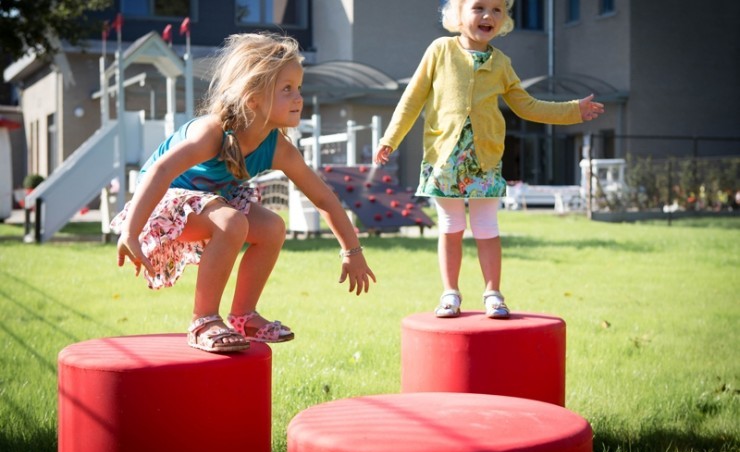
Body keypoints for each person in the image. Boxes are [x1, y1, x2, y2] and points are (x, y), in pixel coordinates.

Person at [112, 33, 376, 353]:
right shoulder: (212, 132)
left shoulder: (278, 147)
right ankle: (204, 320)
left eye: (299, 88)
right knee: (232, 222)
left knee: (272, 227)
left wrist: (352, 250)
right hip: (163, 198)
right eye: (287, 89)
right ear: (253, 98)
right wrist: (131, 231)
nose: (298, 98)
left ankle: (243, 316)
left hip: (214, 203)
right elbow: (160, 171)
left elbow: (323, 197)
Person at [374, 0, 603, 319]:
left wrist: (572, 110)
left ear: (504, 20)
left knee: (486, 227)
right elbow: (412, 99)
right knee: (451, 226)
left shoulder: (501, 63)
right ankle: (450, 293)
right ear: (456, 15)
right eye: (479, 7)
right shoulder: (440, 50)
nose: (488, 16)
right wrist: (390, 139)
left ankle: (493, 293)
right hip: (444, 158)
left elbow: (528, 106)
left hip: (484, 159)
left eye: (497, 10)